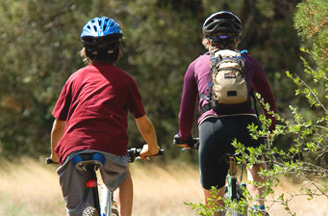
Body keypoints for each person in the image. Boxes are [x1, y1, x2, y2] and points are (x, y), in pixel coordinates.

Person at [49, 16, 160, 216]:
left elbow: (59, 125)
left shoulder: (74, 79)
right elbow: (142, 122)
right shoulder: (126, 80)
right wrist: (152, 147)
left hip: (72, 149)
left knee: (76, 210)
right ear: (119, 50)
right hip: (111, 148)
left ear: (85, 51)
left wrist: (55, 154)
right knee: (124, 174)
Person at [175, 11, 277, 216]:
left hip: (212, 130)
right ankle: (259, 207)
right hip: (247, 126)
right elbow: (268, 103)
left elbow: (185, 112)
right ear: (237, 39)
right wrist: (270, 129)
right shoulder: (248, 62)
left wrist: (185, 137)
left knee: (214, 208)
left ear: (206, 41)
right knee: (256, 161)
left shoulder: (196, 65)